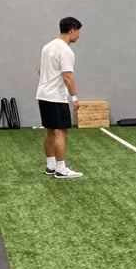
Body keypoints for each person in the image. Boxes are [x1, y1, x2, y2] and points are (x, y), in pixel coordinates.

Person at [36, 16, 84, 179]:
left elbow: (40, 71)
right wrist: (75, 98)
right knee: (61, 132)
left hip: (43, 95)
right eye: (78, 32)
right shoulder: (66, 50)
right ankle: (61, 169)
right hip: (56, 97)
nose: (79, 35)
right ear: (72, 30)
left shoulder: (47, 47)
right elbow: (67, 76)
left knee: (50, 131)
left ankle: (50, 166)